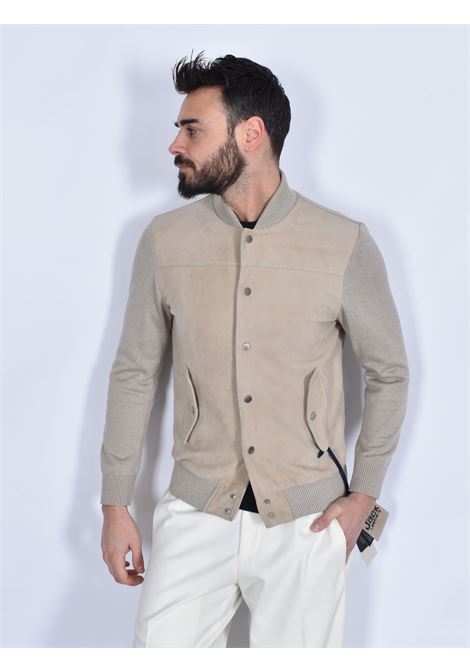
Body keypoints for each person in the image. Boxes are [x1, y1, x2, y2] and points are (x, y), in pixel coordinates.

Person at [100, 51, 409, 648]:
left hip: (308, 522)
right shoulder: (165, 240)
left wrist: (364, 497)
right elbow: (134, 372)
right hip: (195, 512)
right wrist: (115, 504)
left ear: (251, 133)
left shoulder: (341, 243)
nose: (174, 144)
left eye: (192, 129)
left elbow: (389, 372)